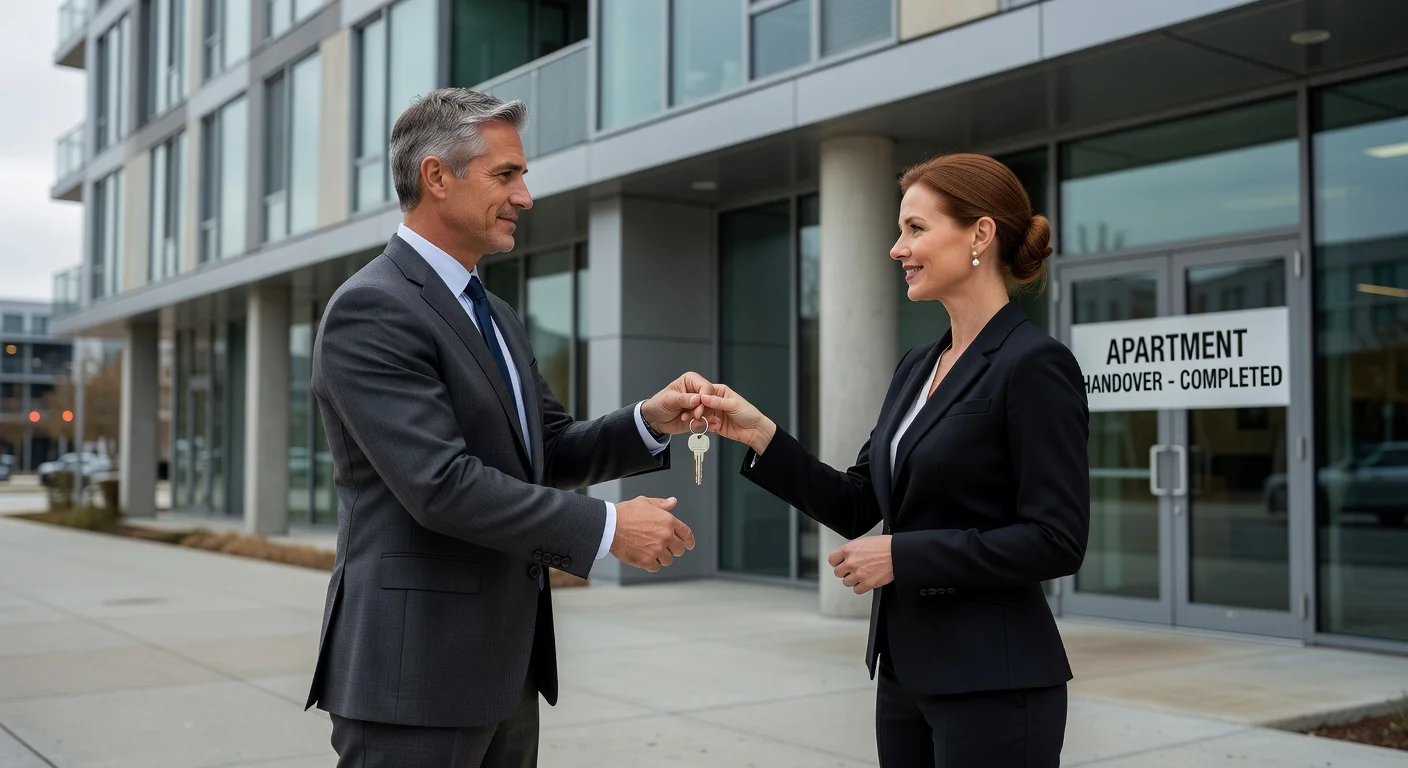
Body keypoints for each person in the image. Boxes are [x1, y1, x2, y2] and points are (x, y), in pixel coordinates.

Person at [304, 88, 702, 767]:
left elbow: (546, 450)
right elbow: (440, 485)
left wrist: (647, 421)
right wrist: (608, 528)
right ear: (437, 177)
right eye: (506, 174)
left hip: (504, 673)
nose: (526, 196)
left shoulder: (496, 314)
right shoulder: (371, 309)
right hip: (414, 678)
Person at [698, 153, 1090, 767]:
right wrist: (761, 435)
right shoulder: (916, 366)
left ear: (980, 234)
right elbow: (858, 503)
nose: (896, 248)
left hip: (995, 684)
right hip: (905, 677)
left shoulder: (1035, 364)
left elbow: (1056, 540)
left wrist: (903, 555)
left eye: (915, 228)